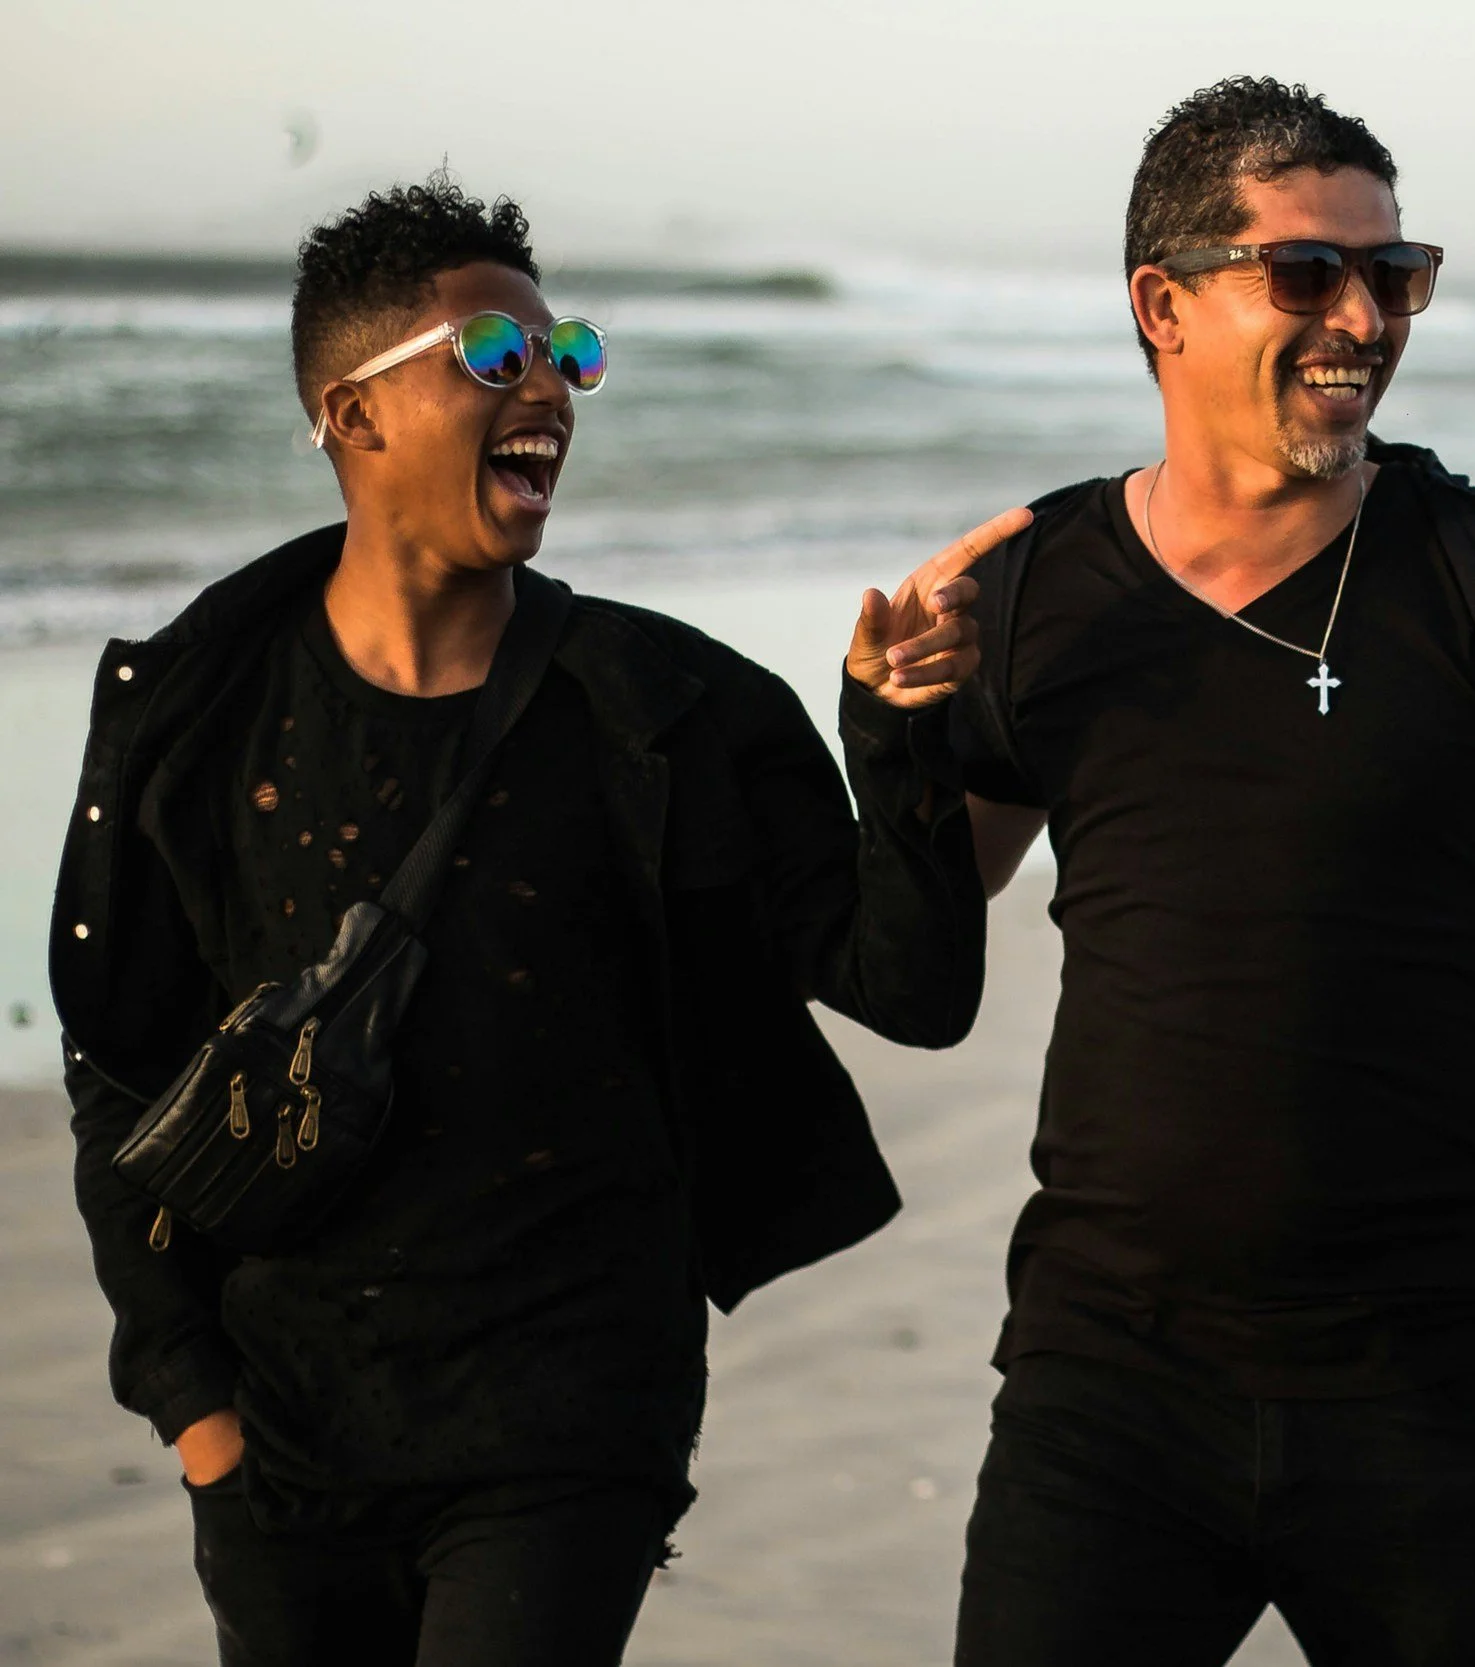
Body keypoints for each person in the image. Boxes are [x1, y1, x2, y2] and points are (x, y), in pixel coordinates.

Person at [52, 174, 1015, 1667]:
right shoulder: (200, 717)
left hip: (573, 1418)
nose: (550, 390)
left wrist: (896, 739)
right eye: (497, 356)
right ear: (353, 414)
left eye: (567, 353)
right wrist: (199, 1420)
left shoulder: (668, 711)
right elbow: (121, 1072)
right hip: (286, 1430)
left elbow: (915, 986)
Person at [945, 78, 1475, 1666]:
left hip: (1439, 1372)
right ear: (1163, 305)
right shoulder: (1038, 597)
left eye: (1393, 273)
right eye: (1306, 273)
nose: (1361, 319)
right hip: (1109, 1377)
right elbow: (913, 936)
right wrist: (890, 728)